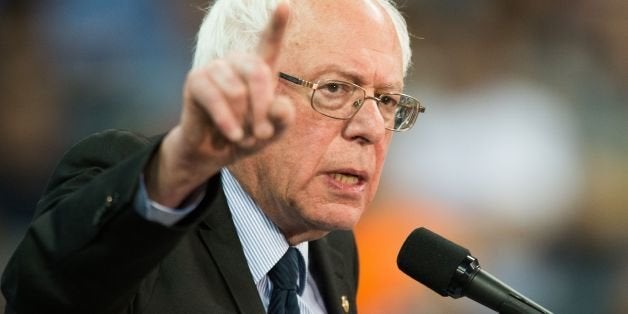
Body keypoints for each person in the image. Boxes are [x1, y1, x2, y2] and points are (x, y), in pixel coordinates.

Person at [1, 0, 423, 313]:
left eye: (386, 99)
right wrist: (175, 170)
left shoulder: (332, 248)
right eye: (334, 89)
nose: (370, 127)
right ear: (238, 88)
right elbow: (41, 293)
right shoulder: (140, 189)